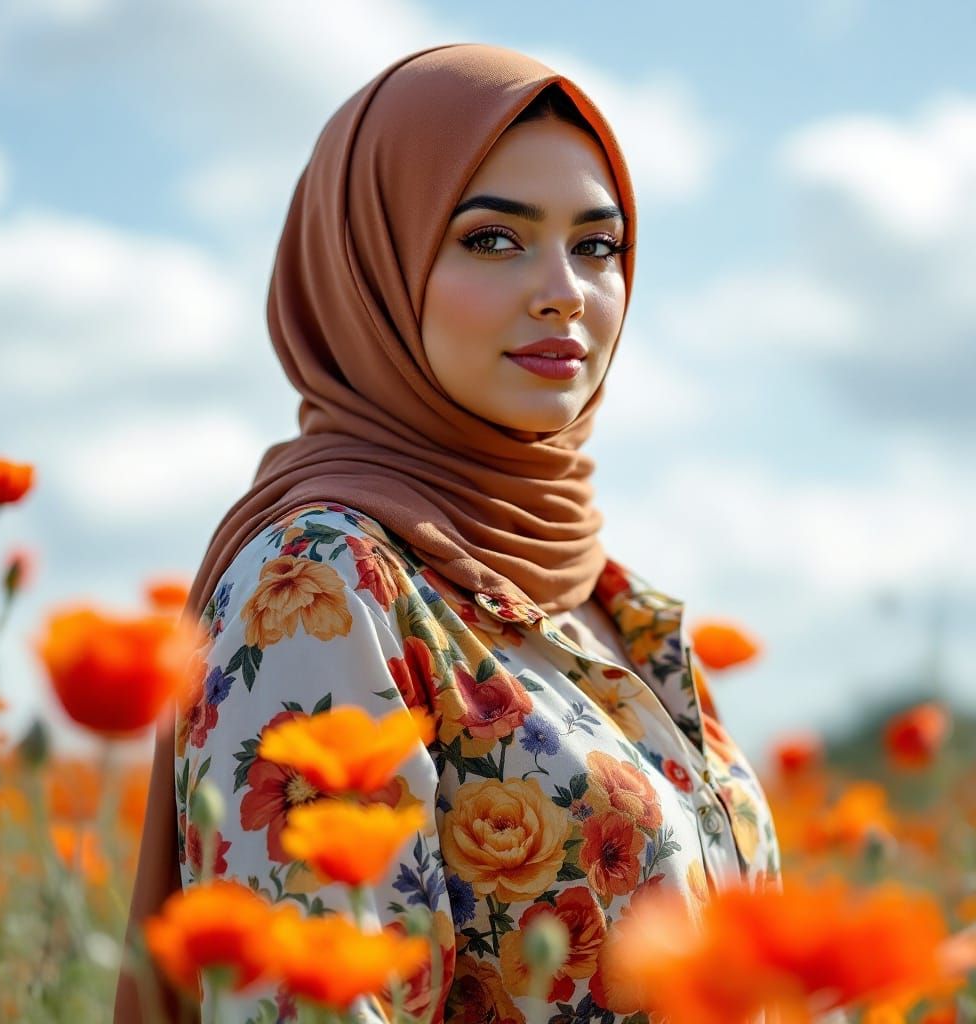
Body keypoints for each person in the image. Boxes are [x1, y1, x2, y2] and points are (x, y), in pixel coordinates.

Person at [115, 42, 782, 1024]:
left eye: (596, 246)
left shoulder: (607, 600)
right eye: (492, 239)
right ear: (368, 267)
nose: (563, 289)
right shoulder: (322, 582)